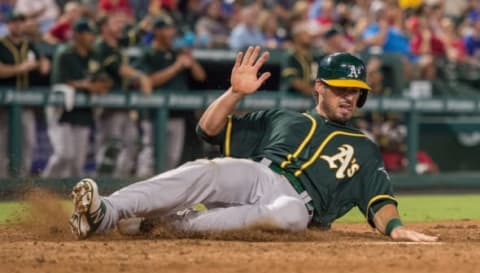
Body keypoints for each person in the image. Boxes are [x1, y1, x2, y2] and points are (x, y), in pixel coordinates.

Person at [69, 46, 439, 243]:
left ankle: (173, 226)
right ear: (320, 87)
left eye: (356, 93)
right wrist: (233, 93)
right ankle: (106, 212)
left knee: (291, 215)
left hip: (295, 205)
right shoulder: (283, 118)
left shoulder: (364, 147)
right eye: (342, 89)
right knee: (208, 170)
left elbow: (380, 203)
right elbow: (208, 130)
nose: (349, 98)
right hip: (258, 174)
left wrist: (396, 228)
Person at [134, 15, 206, 175]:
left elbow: (200, 76)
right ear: (157, 31)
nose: (171, 32)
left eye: (171, 29)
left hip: (177, 113)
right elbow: (149, 81)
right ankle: (138, 191)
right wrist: (176, 67)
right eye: (166, 29)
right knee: (150, 155)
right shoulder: (149, 54)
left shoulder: (176, 53)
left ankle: (161, 196)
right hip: (153, 114)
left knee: (172, 158)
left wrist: (191, 61)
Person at [42, 18, 111, 178]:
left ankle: (71, 198)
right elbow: (63, 80)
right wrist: (88, 86)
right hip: (62, 111)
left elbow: (104, 79)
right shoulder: (65, 53)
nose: (92, 38)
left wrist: (101, 84)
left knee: (77, 164)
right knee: (64, 154)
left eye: (93, 34)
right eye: (89, 34)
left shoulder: (94, 54)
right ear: (78, 35)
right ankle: (42, 188)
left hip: (84, 112)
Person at [94, 12, 152, 177]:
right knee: (110, 147)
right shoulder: (101, 46)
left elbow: (131, 38)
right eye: (116, 22)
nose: (121, 25)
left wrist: (143, 25)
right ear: (104, 27)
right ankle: (101, 183)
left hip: (122, 103)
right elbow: (117, 69)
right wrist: (141, 76)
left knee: (132, 143)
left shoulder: (116, 43)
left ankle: (118, 184)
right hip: (108, 102)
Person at [0, 12, 50, 177]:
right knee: (4, 143)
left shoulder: (29, 45)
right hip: (4, 103)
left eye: (21, 22)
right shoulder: (1, 44)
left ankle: (21, 183)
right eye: (14, 22)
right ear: (8, 24)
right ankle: (3, 182)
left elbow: (43, 63)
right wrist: (20, 68)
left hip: (25, 101)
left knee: (28, 142)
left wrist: (42, 63)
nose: (18, 25)